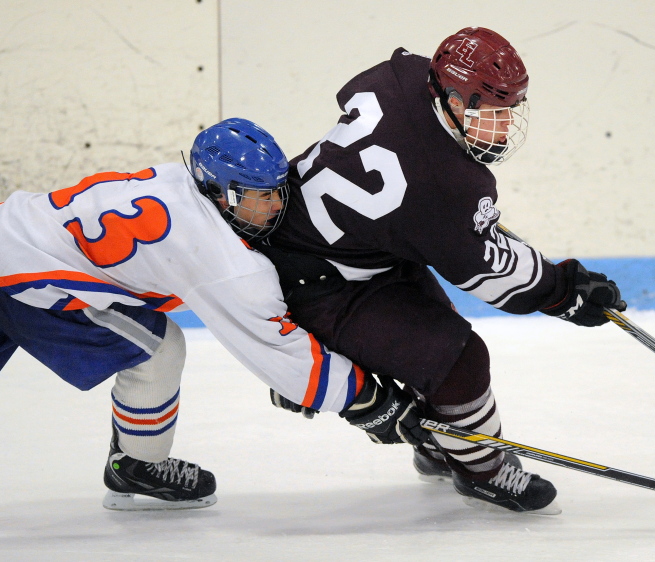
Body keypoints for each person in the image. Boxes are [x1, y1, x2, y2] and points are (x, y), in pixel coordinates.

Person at [0, 118, 428, 510]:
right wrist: (367, 403)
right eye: (253, 195)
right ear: (217, 191)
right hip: (21, 276)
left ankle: (135, 460)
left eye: (275, 191)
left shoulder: (179, 183)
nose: (272, 206)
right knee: (158, 350)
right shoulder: (217, 257)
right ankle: (137, 465)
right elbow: (277, 350)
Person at [261, 27, 626, 514]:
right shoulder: (443, 186)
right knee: (459, 360)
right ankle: (483, 471)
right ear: (451, 98)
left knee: (433, 332)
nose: (503, 125)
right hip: (319, 281)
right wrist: (564, 292)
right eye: (491, 111)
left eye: (508, 110)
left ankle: (440, 447)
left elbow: (357, 100)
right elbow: (492, 276)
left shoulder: (405, 74)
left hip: (353, 246)